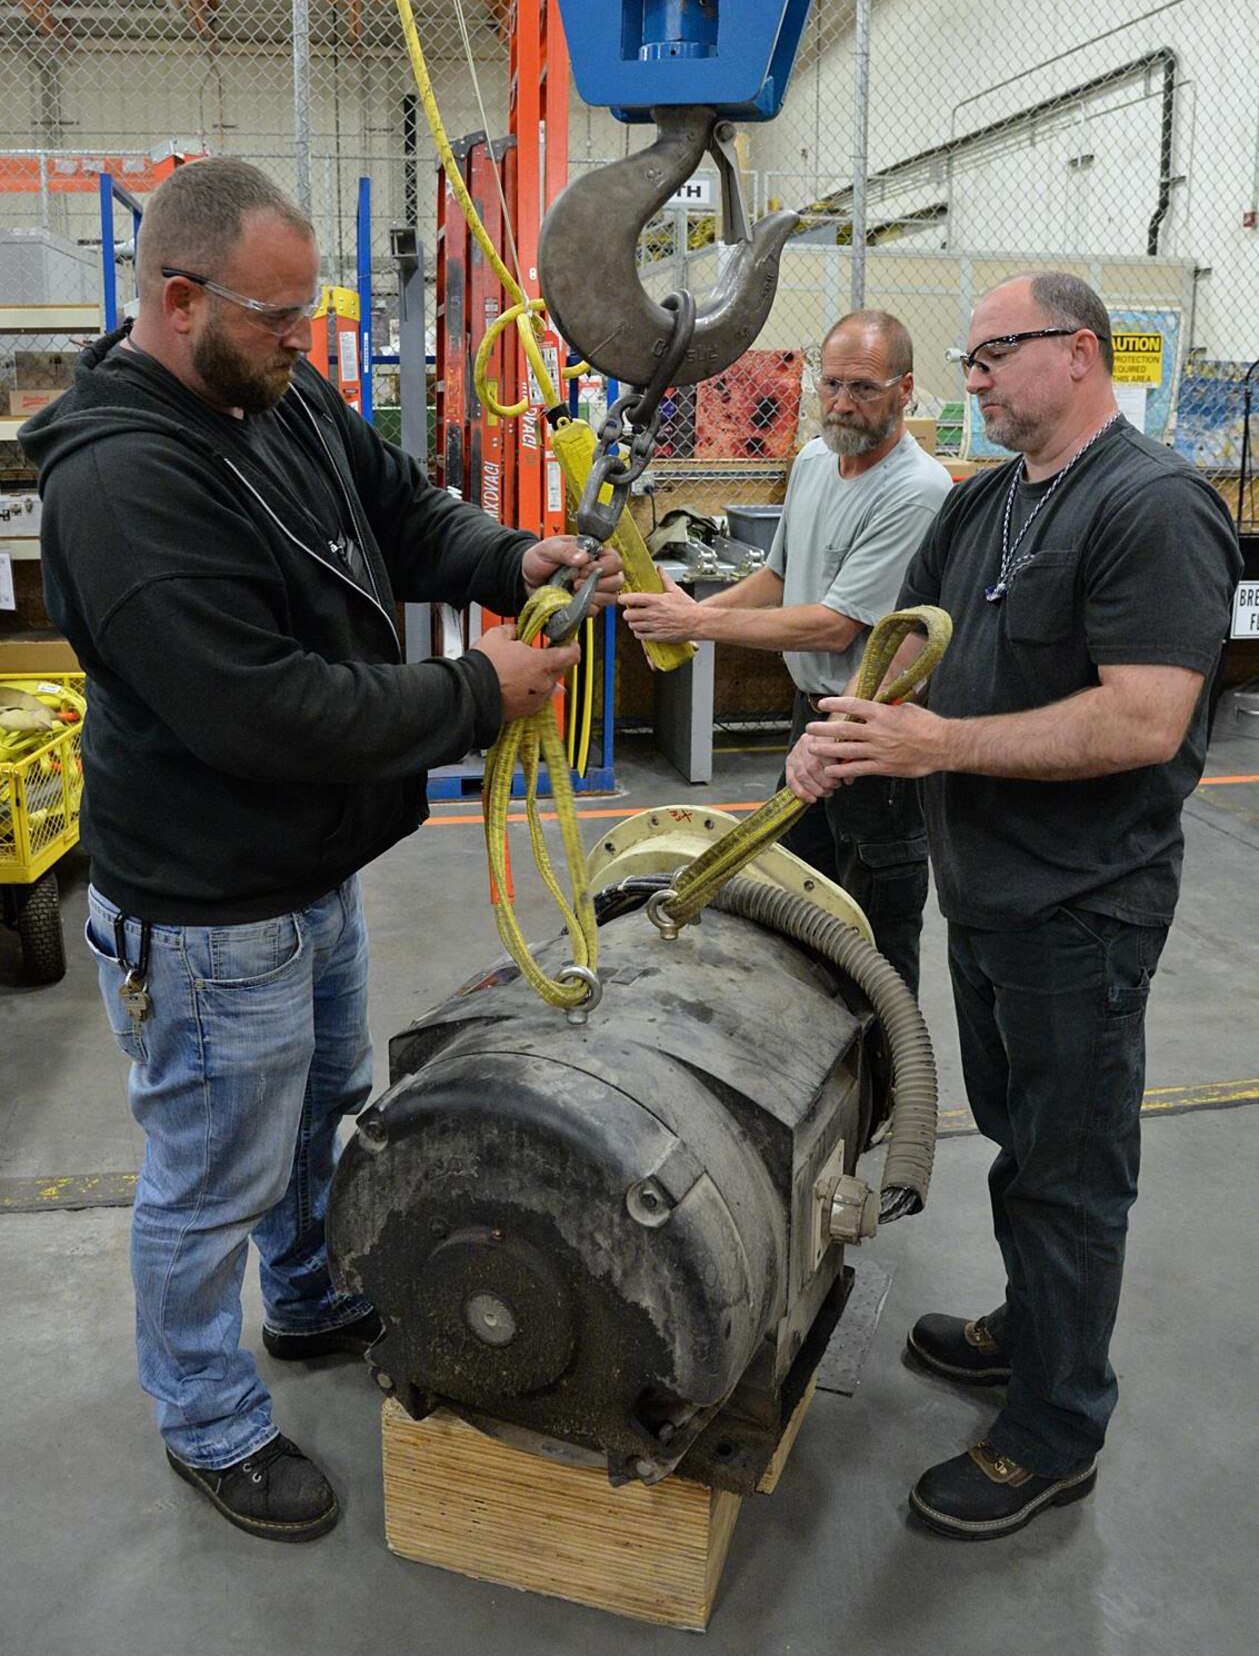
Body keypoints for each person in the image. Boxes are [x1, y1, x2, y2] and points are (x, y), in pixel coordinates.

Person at [20, 157, 621, 1545]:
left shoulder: (270, 394)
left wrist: (508, 557)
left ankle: (302, 1299)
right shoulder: (124, 484)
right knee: (207, 1175)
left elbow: (402, 513)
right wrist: (476, 694)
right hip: (211, 901)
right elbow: (264, 709)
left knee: (311, 1114)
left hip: (304, 873)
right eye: (282, 319)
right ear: (180, 300)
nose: (309, 346)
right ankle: (207, 1420)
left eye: (314, 317)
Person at [787, 272, 1241, 1541]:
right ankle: (1028, 1326)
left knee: (1069, 1170)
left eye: (994, 354)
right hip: (986, 892)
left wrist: (933, 747)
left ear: (1079, 354)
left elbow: (1143, 717)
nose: (971, 377)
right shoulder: (987, 500)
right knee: (1018, 1135)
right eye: (968, 358)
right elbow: (901, 643)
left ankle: (1054, 1429)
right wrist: (841, 729)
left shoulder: (1151, 508)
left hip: (1079, 906)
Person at [622, 310, 952, 993]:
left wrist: (696, 626)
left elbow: (833, 626)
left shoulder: (916, 492)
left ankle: (890, 1083)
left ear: (906, 389)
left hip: (874, 738)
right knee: (790, 901)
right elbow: (775, 580)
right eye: (828, 384)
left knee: (874, 937)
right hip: (813, 720)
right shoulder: (809, 461)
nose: (839, 403)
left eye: (861, 387)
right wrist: (683, 616)